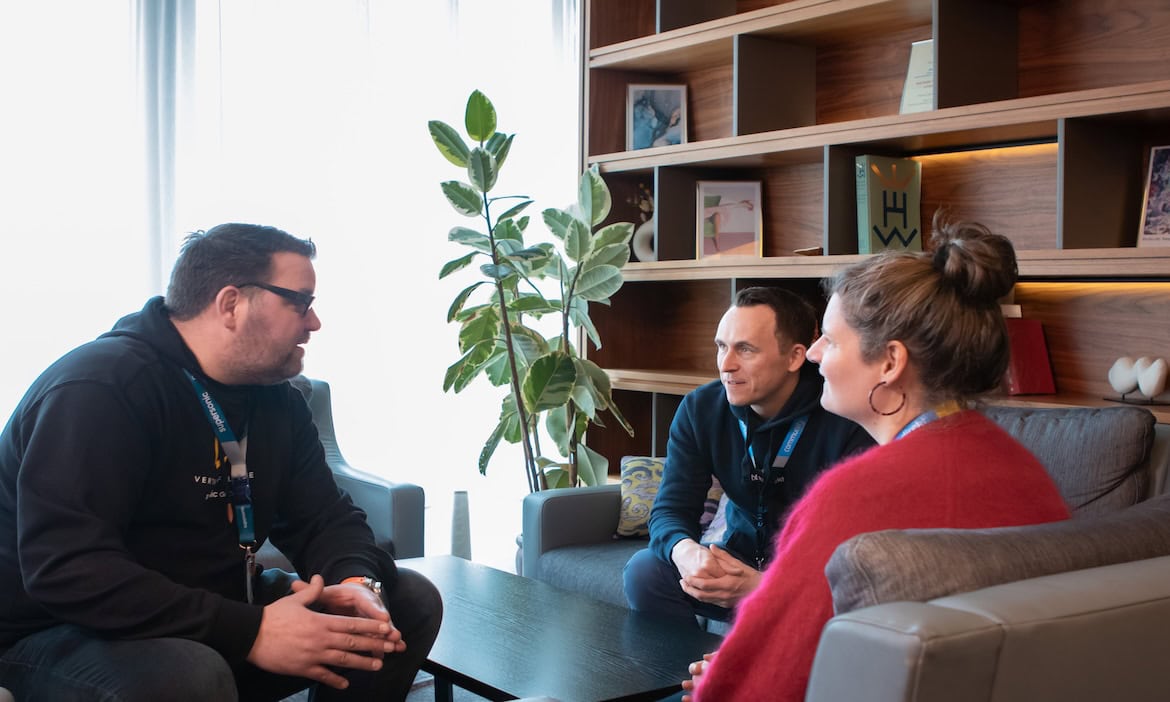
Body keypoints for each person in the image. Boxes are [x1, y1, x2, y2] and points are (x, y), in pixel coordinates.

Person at [0, 223, 442, 701]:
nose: (314, 323)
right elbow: (67, 568)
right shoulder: (101, 388)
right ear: (231, 304)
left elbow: (325, 519)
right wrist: (250, 631)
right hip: (59, 630)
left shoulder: (277, 399)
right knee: (189, 674)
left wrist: (356, 581)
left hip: (213, 611)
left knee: (404, 604)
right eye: (300, 303)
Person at [684, 217, 1073, 701]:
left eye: (831, 339)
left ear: (890, 362)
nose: (814, 354)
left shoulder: (852, 497)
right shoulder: (1025, 469)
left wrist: (721, 679)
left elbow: (758, 688)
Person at [623, 287, 874, 626]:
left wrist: (766, 586)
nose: (726, 365)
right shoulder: (701, 409)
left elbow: (855, 553)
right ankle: (693, 662)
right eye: (721, 346)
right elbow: (670, 509)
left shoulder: (843, 416)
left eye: (745, 349)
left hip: (810, 579)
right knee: (646, 571)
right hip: (738, 558)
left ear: (795, 357)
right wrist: (686, 553)